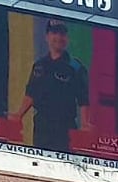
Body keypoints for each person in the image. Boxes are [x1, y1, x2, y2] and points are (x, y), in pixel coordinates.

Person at [10, 20, 91, 153]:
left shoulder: (76, 67)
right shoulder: (39, 65)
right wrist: (19, 114)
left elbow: (83, 100)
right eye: (55, 33)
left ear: (67, 38)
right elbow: (31, 93)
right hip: (42, 125)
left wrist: (85, 124)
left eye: (62, 34)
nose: (58, 38)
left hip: (64, 126)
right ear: (47, 36)